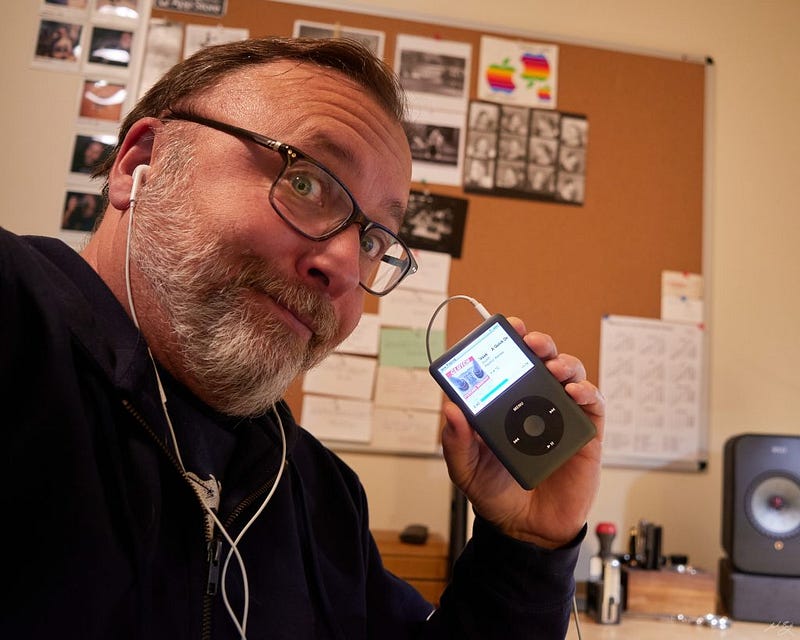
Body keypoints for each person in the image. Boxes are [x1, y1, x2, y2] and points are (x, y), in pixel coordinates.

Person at [0, 37, 604, 639]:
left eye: (373, 241)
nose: (343, 264)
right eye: (307, 183)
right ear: (141, 163)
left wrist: (525, 547)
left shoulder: (322, 496)